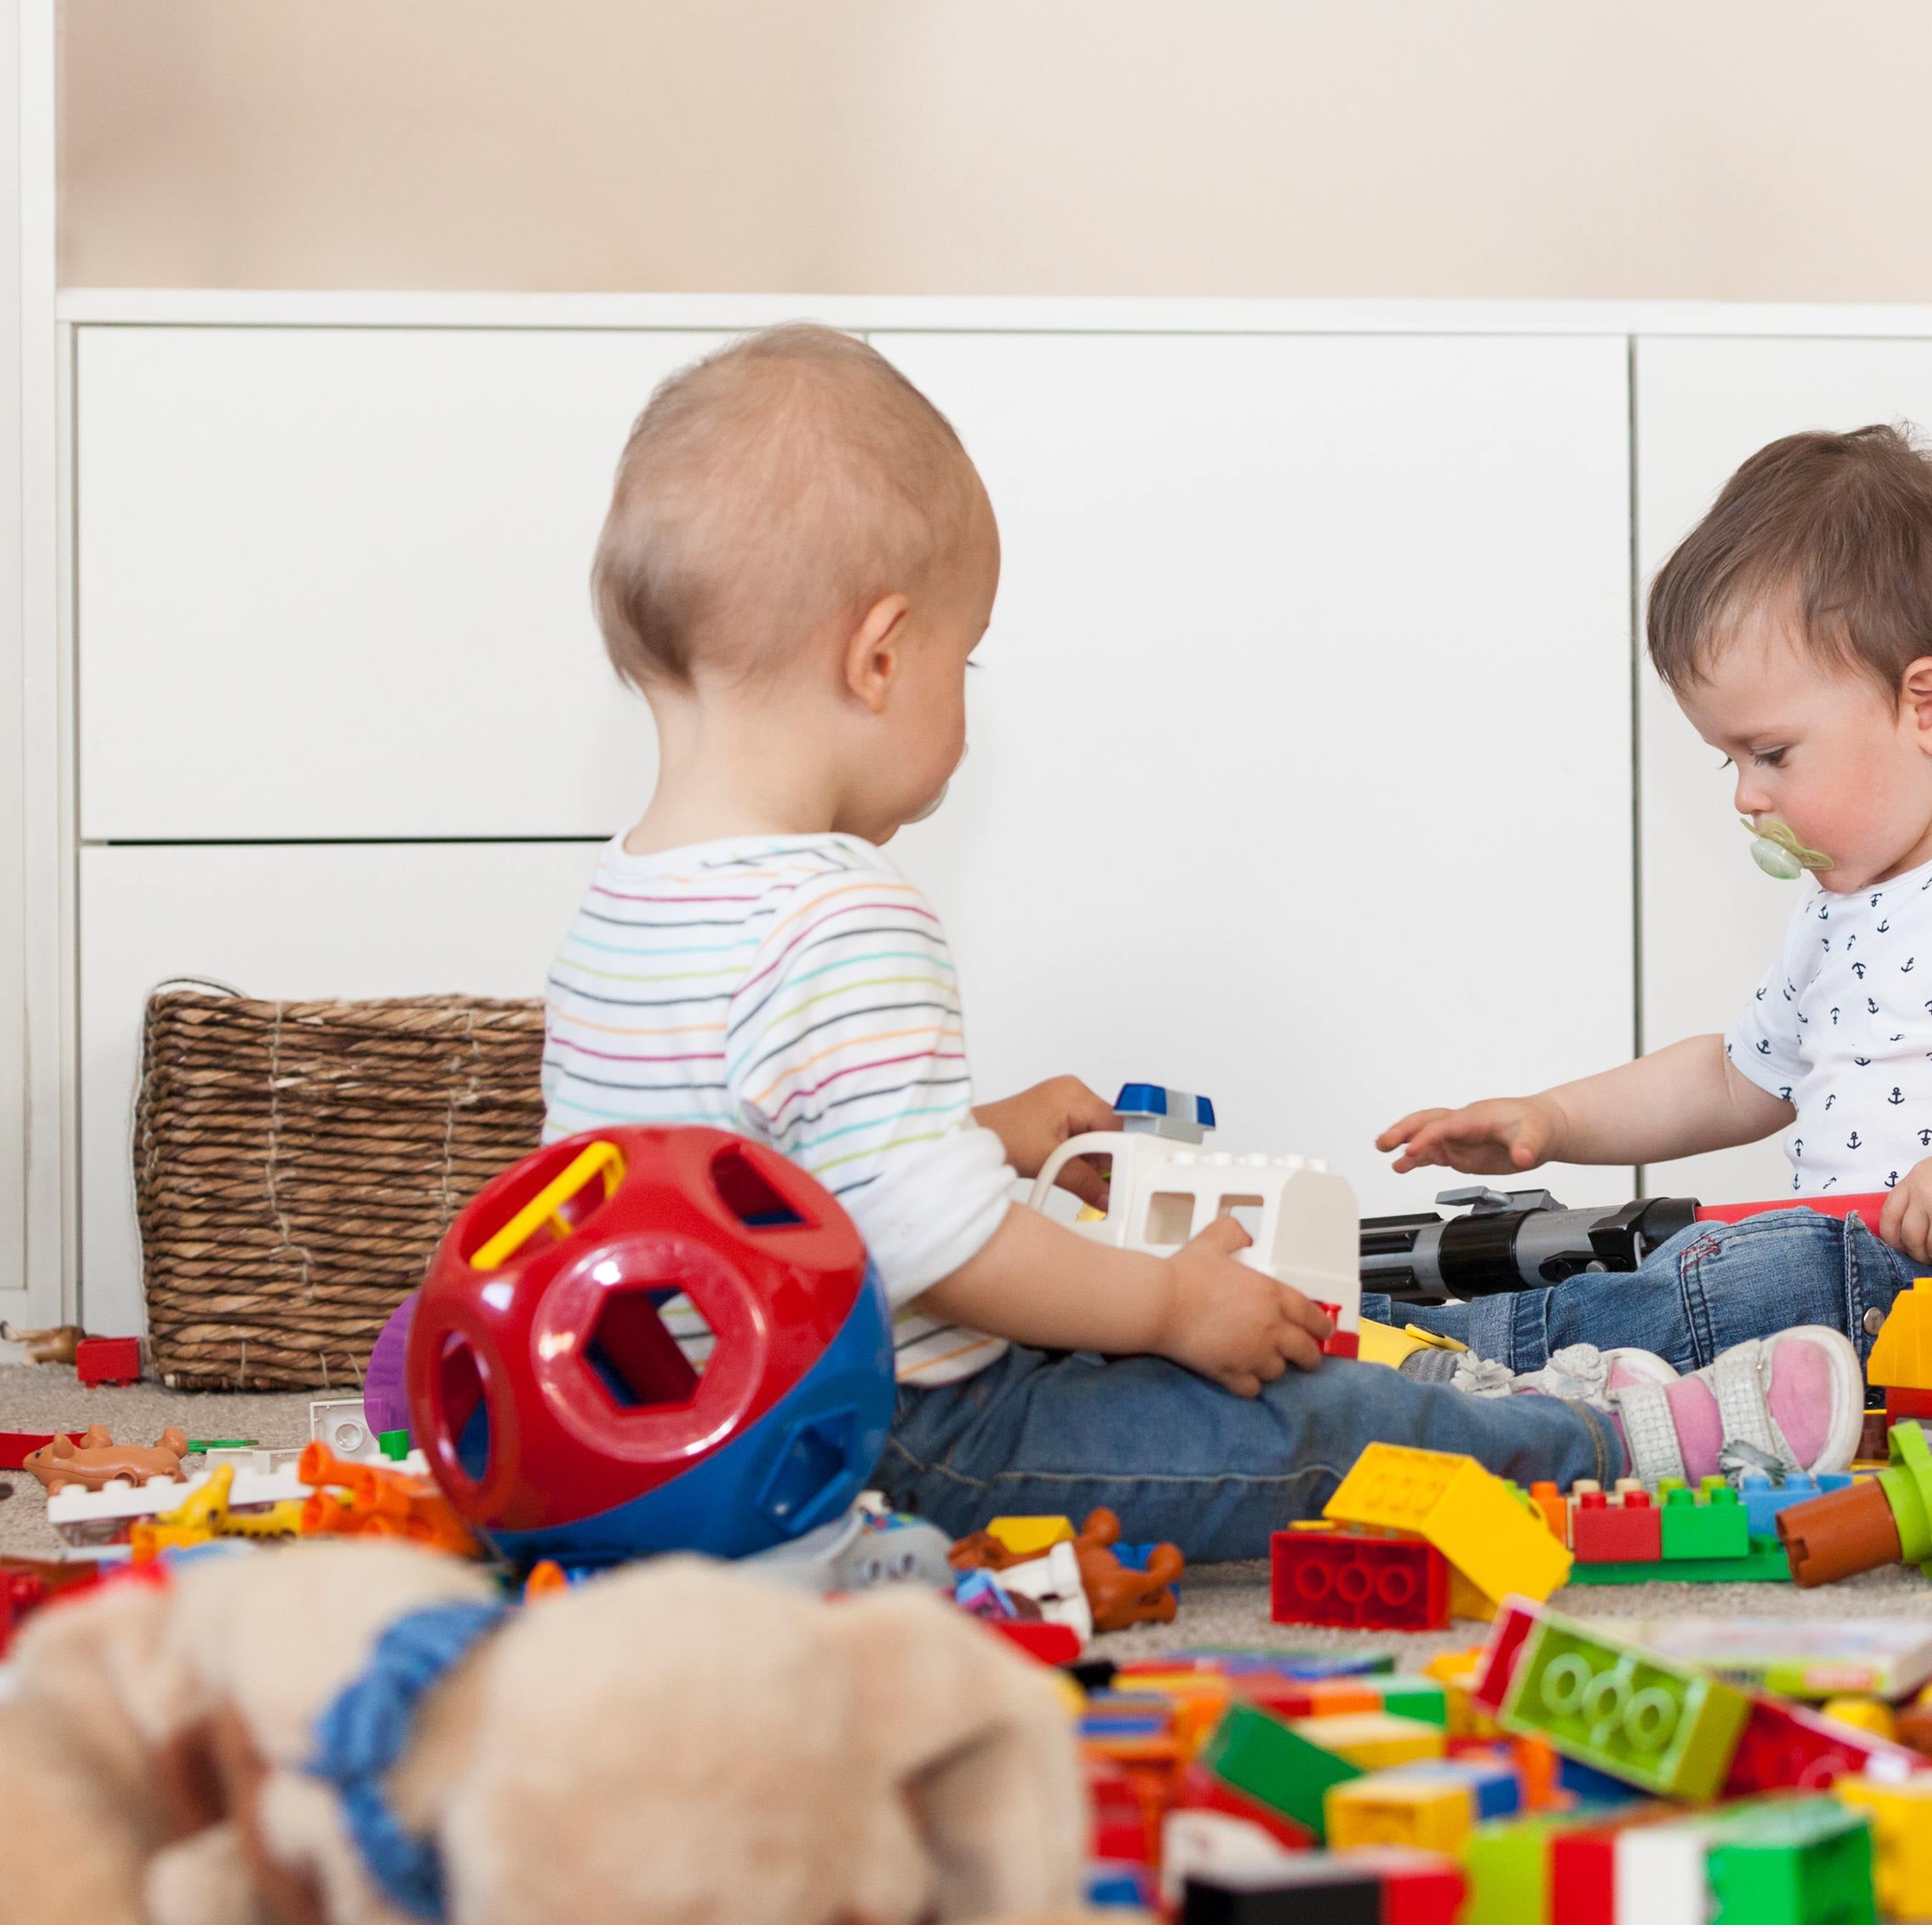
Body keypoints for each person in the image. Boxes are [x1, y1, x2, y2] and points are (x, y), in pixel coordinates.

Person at [536, 326, 1860, 1557]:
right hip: (897, 1436)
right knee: (1294, 1428)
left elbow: (736, 1182)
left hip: (672, 1438)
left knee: (1164, 1343)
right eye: (965, 660)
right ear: (880, 658)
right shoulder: (842, 913)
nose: (962, 699)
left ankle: (1492, 1384)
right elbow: (946, 1253)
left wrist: (986, 1132)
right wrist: (1169, 1301)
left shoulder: (624, 903)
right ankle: (1610, 1443)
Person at [1377, 425, 1932, 1374]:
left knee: (1763, 1264)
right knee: (1702, 1256)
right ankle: (1471, 1348)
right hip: (1849, 1283)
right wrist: (1552, 1120)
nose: (1746, 795)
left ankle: (1464, 1360)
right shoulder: (1843, 909)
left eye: (1771, 753)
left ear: (1927, 705)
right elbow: (1731, 1077)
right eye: (1731, 760)